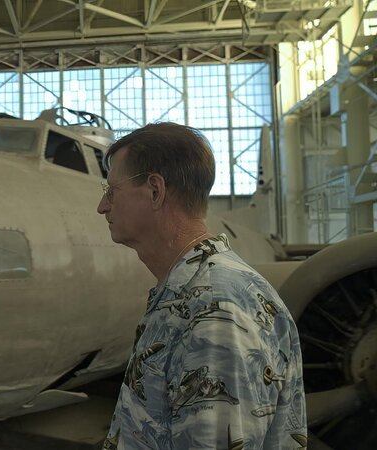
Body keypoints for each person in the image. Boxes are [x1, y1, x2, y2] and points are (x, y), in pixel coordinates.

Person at [96, 123, 306, 449]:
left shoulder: (215, 311)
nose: (103, 206)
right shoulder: (187, 293)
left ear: (155, 190)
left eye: (111, 191)